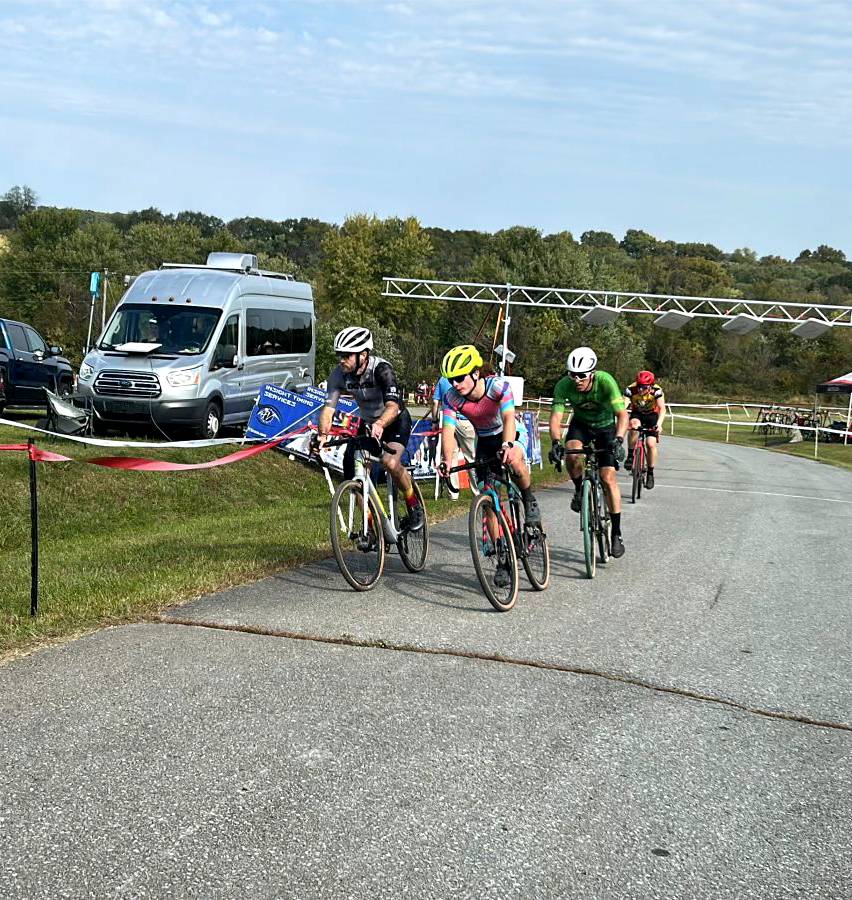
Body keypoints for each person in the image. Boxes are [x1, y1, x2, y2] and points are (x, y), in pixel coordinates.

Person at [316, 326, 424, 531]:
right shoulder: (339, 375)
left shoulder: (382, 369)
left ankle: (413, 503)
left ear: (363, 354)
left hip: (394, 421)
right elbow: (329, 409)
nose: (341, 360)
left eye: (346, 355)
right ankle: (372, 527)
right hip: (367, 424)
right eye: (340, 355)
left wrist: (381, 424)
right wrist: (322, 436)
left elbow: (393, 405)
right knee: (356, 475)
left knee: (390, 463)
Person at [438, 343, 541, 525]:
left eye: (460, 378)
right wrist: (446, 459)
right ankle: (501, 549)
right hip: (485, 441)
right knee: (488, 499)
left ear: (475, 373)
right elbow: (448, 429)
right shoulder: (451, 397)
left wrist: (507, 445)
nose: (455, 384)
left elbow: (509, 416)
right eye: (451, 379)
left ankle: (529, 499)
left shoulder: (498, 386)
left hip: (509, 433)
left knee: (515, 462)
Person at [547, 346, 628, 558]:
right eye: (572, 374)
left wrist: (619, 440)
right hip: (581, 425)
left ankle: (616, 533)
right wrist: (556, 442)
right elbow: (556, 418)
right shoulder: (564, 385)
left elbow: (622, 414)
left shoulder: (605, 381)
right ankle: (579, 489)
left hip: (606, 427)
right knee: (572, 454)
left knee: (608, 477)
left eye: (581, 375)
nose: (576, 379)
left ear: (591, 373)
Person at [431, 373, 476, 498]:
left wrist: (434, 420)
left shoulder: (442, 379)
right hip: (465, 420)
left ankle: (453, 493)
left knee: (450, 457)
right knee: (471, 458)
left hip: (448, 420)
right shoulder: (464, 376)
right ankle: (477, 491)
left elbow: (435, 402)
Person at [624, 370, 666, 488]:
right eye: (639, 387)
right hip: (637, 414)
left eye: (644, 387)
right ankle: (631, 455)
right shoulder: (631, 389)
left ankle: (650, 473)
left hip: (652, 415)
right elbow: (623, 405)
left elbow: (662, 409)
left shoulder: (656, 391)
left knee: (650, 443)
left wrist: (659, 424)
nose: (641, 390)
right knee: (633, 425)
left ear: (650, 386)